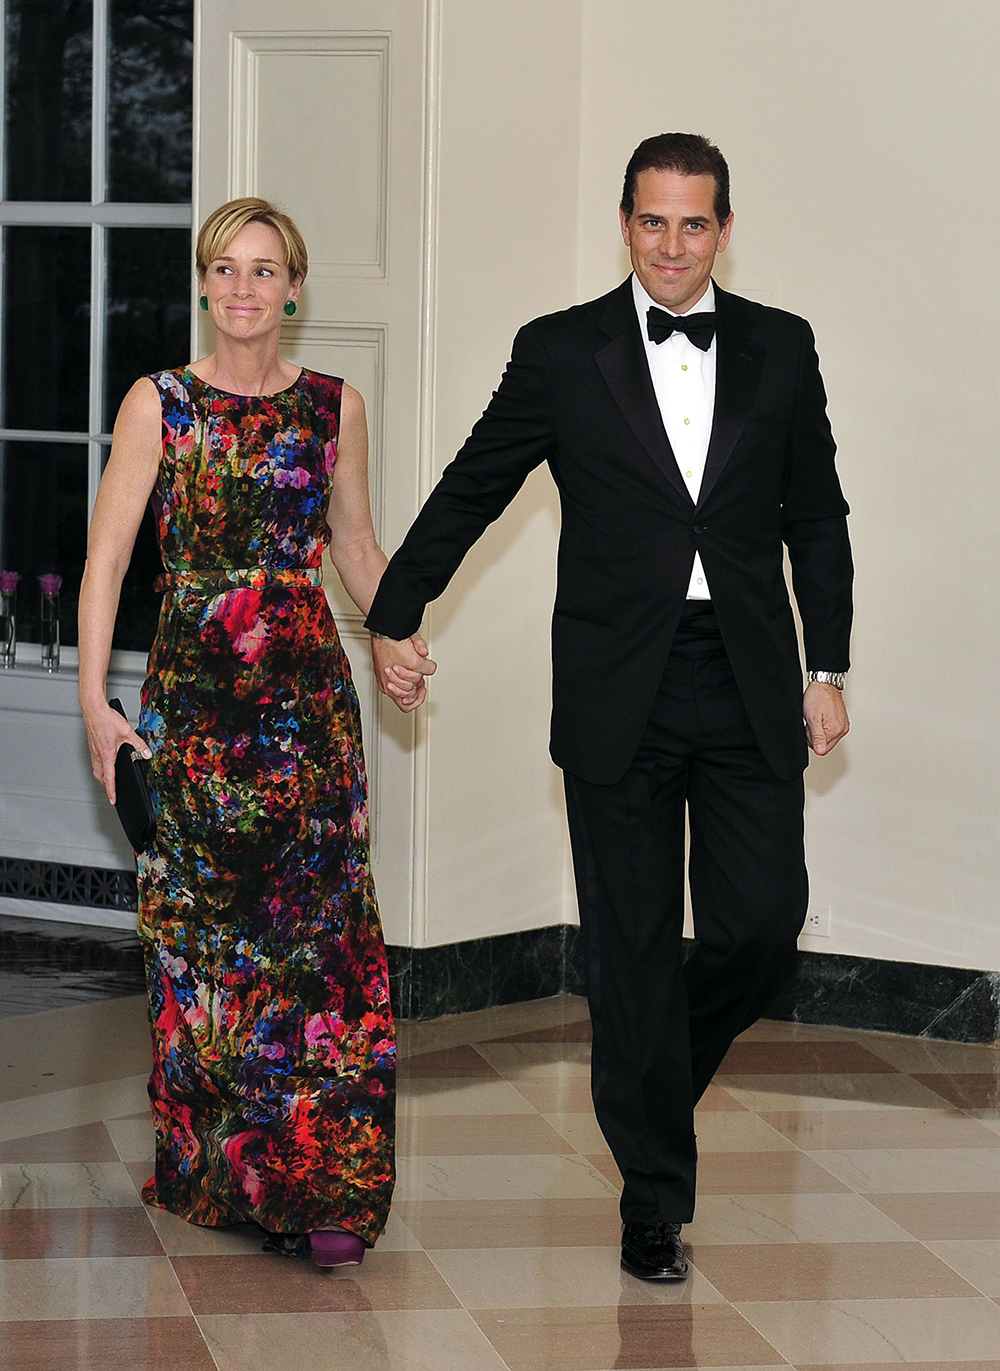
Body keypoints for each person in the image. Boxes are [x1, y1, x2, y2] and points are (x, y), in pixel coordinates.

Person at [365, 134, 852, 1280]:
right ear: (622, 223)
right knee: (629, 950)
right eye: (651, 222)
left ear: (724, 228)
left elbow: (817, 515)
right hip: (614, 687)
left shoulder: (782, 347)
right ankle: (653, 1200)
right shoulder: (561, 351)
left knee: (759, 922)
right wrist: (392, 609)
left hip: (745, 677)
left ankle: (648, 1080)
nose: (671, 246)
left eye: (693, 224)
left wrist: (823, 670)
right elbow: (476, 483)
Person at [78, 197, 431, 1268]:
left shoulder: (335, 408)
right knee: (206, 948)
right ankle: (220, 1172)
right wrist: (95, 703)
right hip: (191, 710)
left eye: (264, 270)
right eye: (225, 268)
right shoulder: (160, 405)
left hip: (306, 715)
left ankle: (324, 1188)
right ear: (203, 283)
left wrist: (394, 635)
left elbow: (356, 548)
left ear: (294, 286)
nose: (243, 288)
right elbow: (104, 565)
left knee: (318, 950)